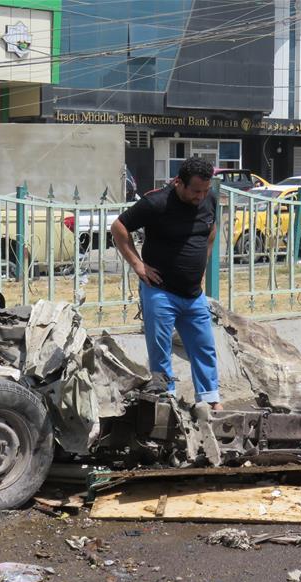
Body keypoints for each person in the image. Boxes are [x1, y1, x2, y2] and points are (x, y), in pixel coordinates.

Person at [111, 157, 222, 410]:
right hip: (160, 293)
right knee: (160, 352)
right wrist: (138, 265)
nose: (200, 196)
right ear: (178, 182)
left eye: (205, 190)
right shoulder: (156, 203)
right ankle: (166, 403)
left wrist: (201, 265)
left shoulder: (209, 199)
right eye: (196, 191)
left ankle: (211, 401)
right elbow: (118, 227)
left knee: (205, 349)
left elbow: (210, 231)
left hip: (194, 295)